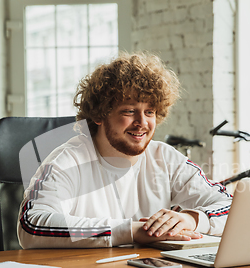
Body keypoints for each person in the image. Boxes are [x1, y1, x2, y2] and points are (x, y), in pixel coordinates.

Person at [17, 52, 232, 248]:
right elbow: (31, 224)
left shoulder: (165, 158)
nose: (142, 123)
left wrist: (192, 219)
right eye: (129, 111)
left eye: (150, 112)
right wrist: (133, 231)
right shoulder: (66, 161)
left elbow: (231, 207)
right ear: (99, 115)